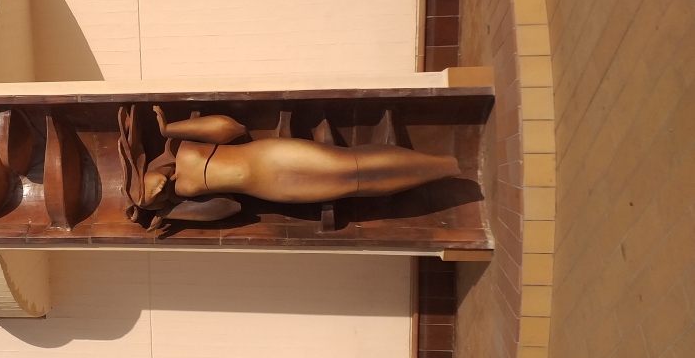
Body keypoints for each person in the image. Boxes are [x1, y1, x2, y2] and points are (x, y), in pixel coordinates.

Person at [118, 104, 460, 227]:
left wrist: (172, 129)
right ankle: (439, 173)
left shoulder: (180, 147)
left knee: (347, 163)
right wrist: (174, 212)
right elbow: (229, 207)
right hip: (271, 188)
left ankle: (442, 163)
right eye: (151, 201)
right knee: (351, 185)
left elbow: (231, 128)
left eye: (144, 189)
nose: (155, 192)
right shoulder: (182, 195)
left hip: (270, 155)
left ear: (141, 170)